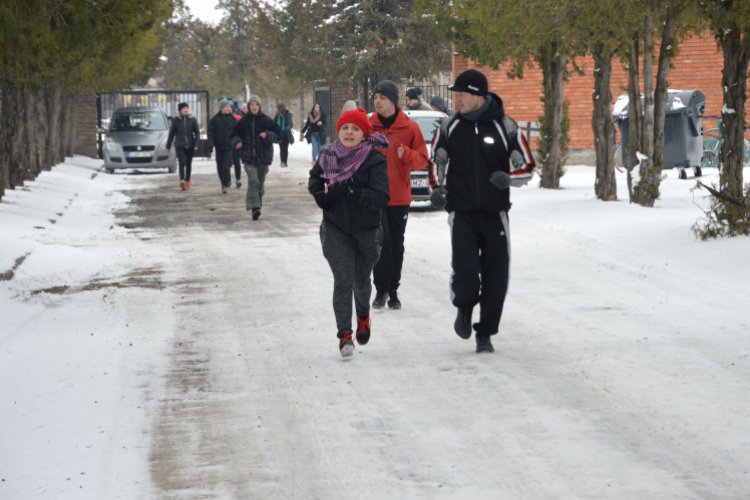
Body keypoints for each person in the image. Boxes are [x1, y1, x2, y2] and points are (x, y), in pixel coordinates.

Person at [427, 69, 535, 353]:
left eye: (461, 94)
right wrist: (436, 189)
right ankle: (464, 308)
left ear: (477, 95)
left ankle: (485, 332)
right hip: (460, 212)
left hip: (495, 212)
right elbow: (435, 161)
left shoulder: (506, 126)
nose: (456, 99)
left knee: (496, 274)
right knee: (465, 270)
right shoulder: (449, 126)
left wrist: (509, 178)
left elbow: (527, 165)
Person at [308, 109, 390, 357]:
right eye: (345, 128)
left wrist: (354, 192)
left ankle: (363, 316)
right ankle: (344, 335)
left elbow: (382, 197)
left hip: (367, 231)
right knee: (343, 278)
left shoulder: (374, 159)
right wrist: (323, 197)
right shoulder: (327, 155)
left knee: (361, 281)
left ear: (364, 133)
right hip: (335, 229)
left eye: (355, 128)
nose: (349, 133)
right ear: (339, 131)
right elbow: (314, 181)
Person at [369, 80, 429, 310]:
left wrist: (407, 155)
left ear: (393, 101)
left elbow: (422, 160)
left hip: (399, 197)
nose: (377, 101)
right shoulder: (369, 126)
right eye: (376, 97)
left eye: (382, 98)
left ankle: (393, 290)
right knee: (380, 243)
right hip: (376, 197)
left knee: (396, 245)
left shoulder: (409, 127)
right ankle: (380, 291)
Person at [231, 95, 283, 221]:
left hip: (264, 157)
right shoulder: (243, 121)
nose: (254, 107)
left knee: (260, 183)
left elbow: (279, 135)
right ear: (248, 106)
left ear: (259, 106)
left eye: (256, 104)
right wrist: (237, 141)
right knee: (253, 181)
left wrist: (268, 135)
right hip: (248, 158)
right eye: (252, 104)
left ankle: (257, 204)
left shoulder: (266, 120)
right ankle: (254, 208)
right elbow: (234, 134)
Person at [167, 102, 200, 190]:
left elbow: (197, 132)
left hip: (190, 144)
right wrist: (168, 145)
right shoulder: (176, 120)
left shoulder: (192, 119)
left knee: (188, 163)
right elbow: (171, 133)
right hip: (179, 144)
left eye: (187, 108)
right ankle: (182, 180)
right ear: (180, 110)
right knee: (181, 162)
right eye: (184, 108)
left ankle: (188, 181)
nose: (186, 110)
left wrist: (196, 144)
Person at [207, 99, 238, 194]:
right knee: (220, 166)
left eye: (229, 106)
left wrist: (237, 142)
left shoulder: (232, 119)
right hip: (219, 146)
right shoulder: (215, 119)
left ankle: (225, 185)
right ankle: (223, 183)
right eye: (226, 107)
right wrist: (210, 144)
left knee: (226, 166)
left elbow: (237, 132)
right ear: (222, 108)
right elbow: (210, 133)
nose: (229, 108)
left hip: (229, 146)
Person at [274, 103, 294, 168]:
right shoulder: (277, 116)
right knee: (281, 148)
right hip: (280, 134)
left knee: (285, 148)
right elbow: (274, 123)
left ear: (280, 109)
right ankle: (282, 162)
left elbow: (290, 123)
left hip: (286, 134)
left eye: (277, 108)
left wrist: (287, 129)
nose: (276, 110)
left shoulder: (287, 115)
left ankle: (285, 162)